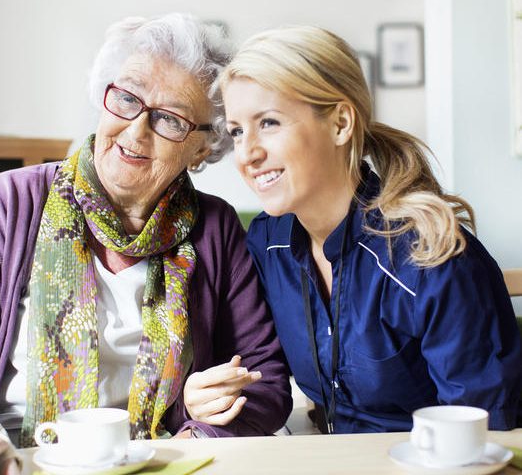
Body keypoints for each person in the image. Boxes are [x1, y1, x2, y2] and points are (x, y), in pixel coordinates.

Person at [0, 13, 292, 473]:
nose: (135, 130)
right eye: (126, 98)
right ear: (103, 96)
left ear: (202, 148)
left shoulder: (215, 227)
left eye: (169, 119)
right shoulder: (9, 202)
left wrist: (199, 433)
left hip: (156, 462)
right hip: (12, 457)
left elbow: (265, 380)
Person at [217, 25, 522, 434]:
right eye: (237, 130)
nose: (247, 153)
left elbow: (482, 437)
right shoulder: (266, 243)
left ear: (341, 123)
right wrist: (208, 393)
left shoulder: (431, 259)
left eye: (269, 123)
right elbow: (255, 366)